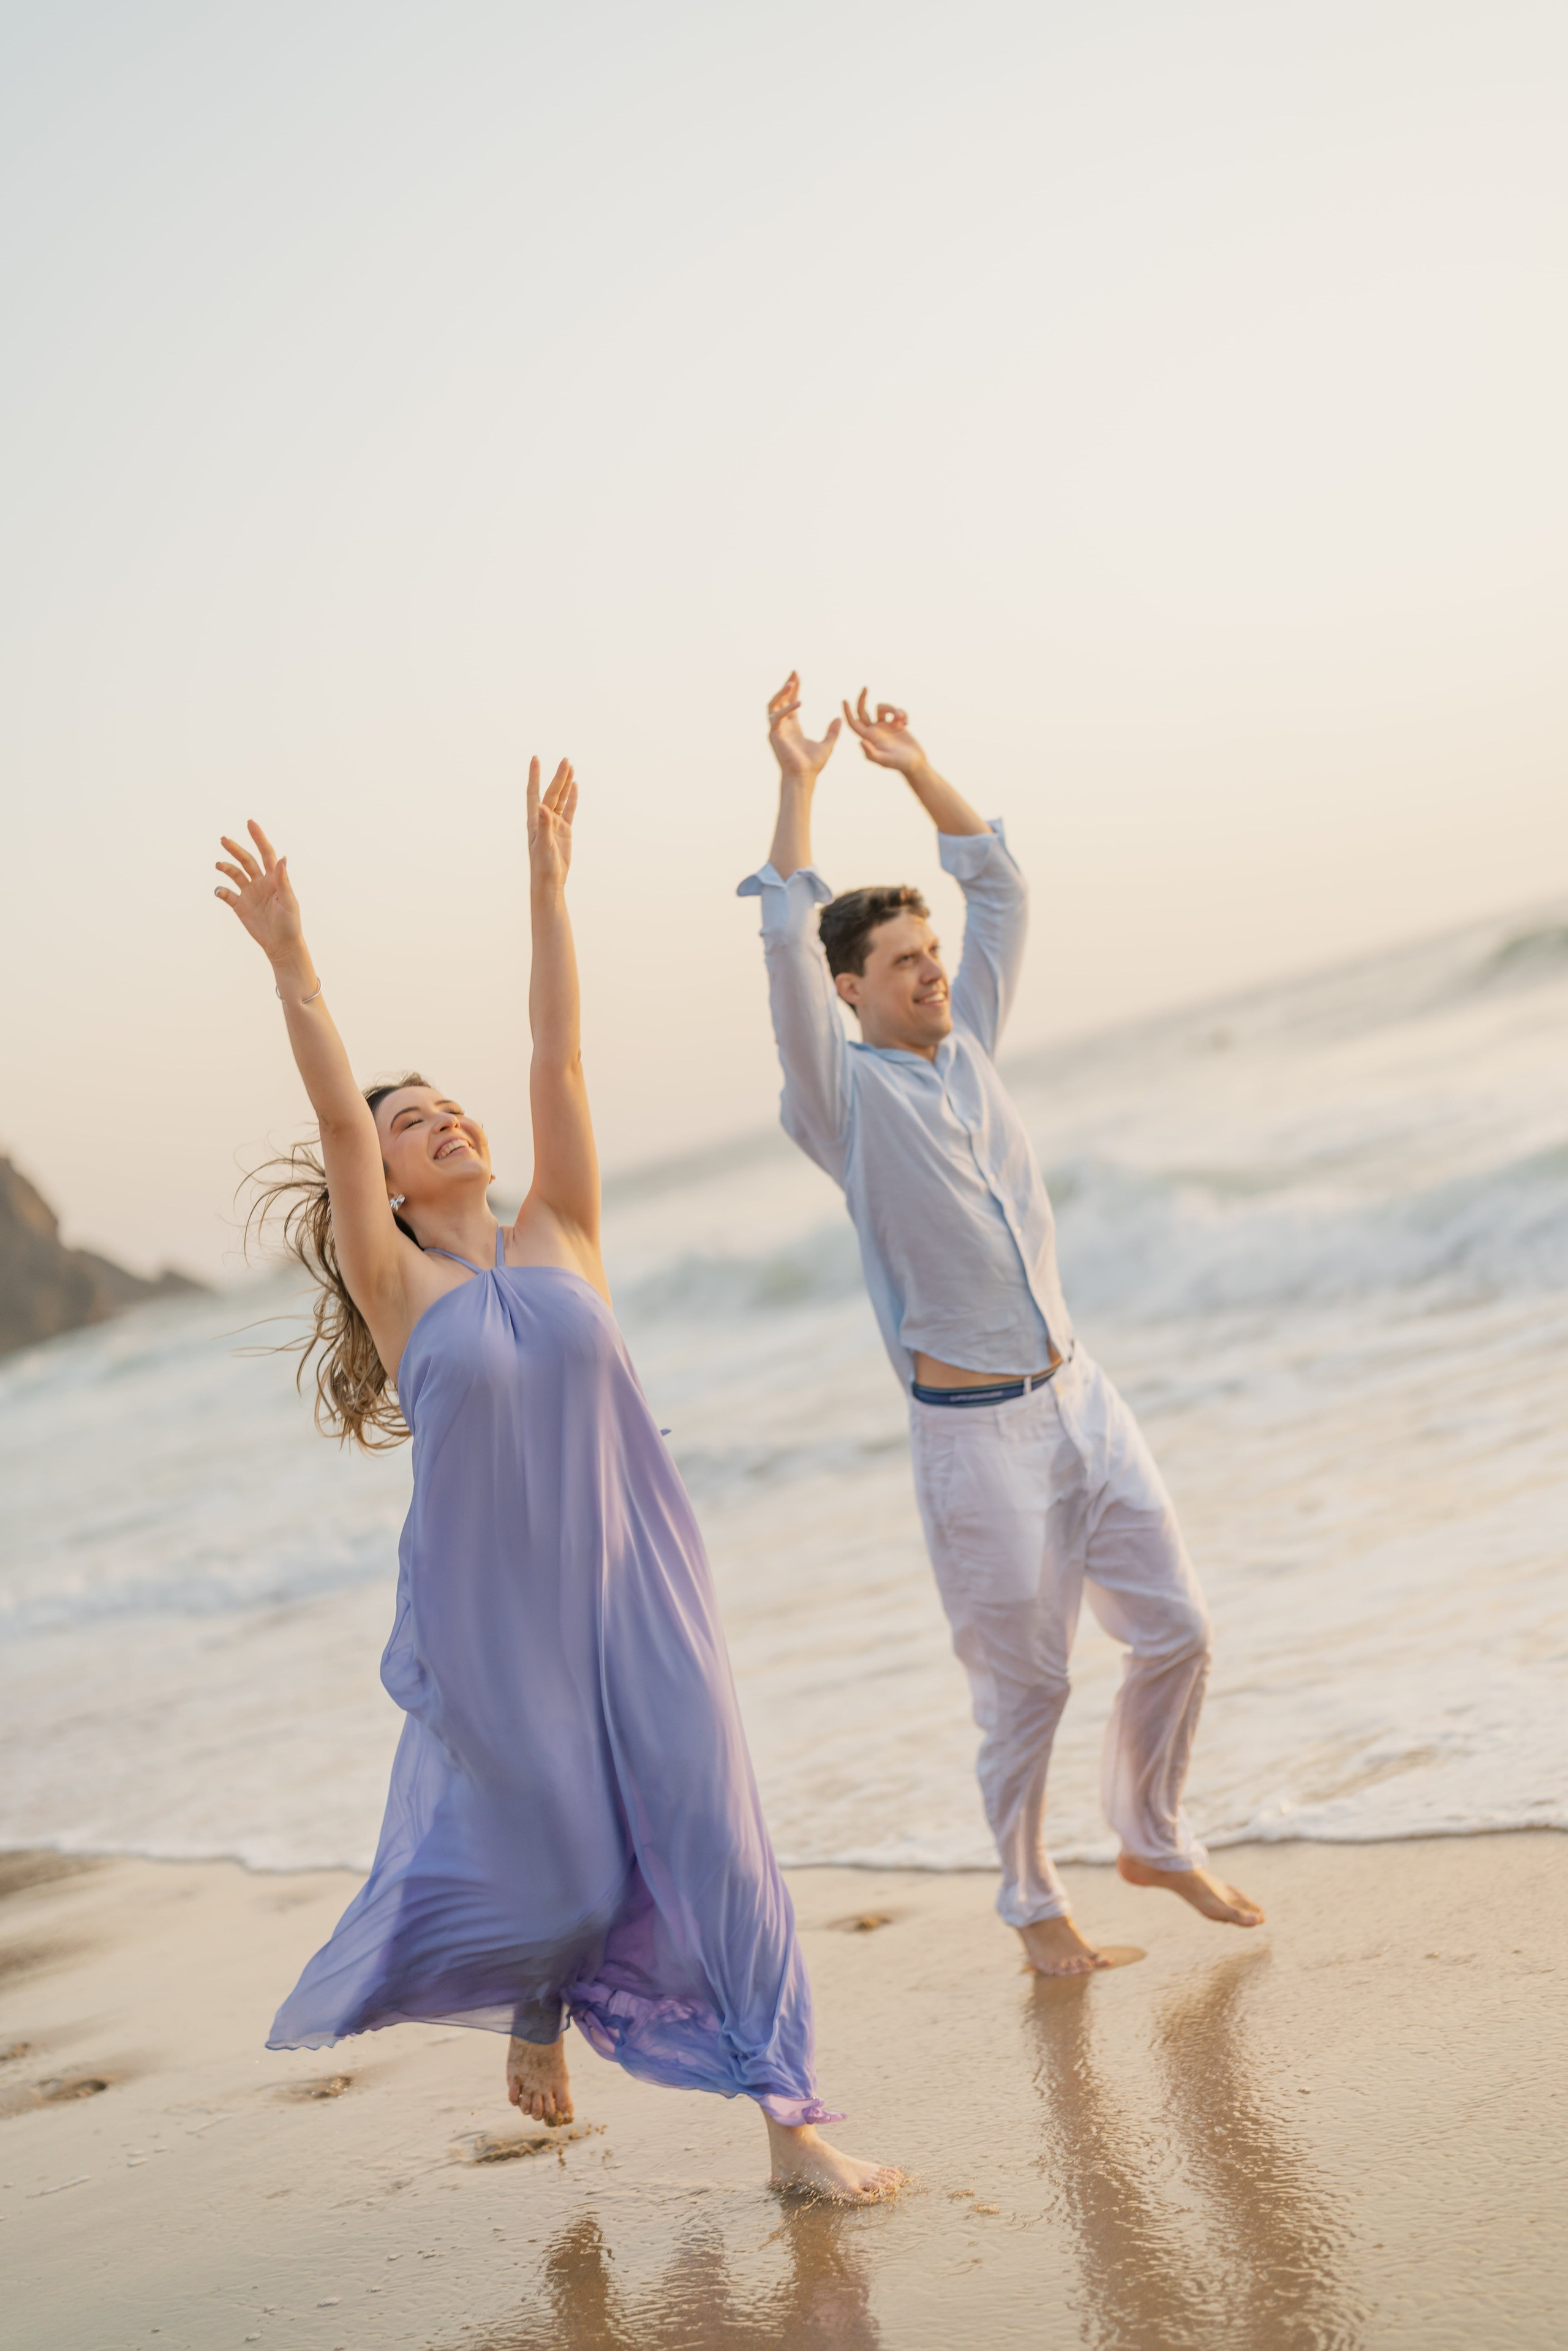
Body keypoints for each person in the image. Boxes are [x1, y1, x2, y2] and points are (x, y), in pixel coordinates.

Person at [213, 761, 900, 2200]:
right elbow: (337, 1123)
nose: (446, 1121)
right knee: (574, 1876)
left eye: (452, 1107)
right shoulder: (397, 1284)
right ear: (388, 1185)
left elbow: (558, 1055)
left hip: (641, 1584)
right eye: (416, 1123)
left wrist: (546, 886)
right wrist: (295, 965)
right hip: (502, 1624)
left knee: (718, 1840)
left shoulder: (564, 1229)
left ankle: (791, 2121)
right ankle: (538, 1997)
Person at [739, 676, 1264, 1977]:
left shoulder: (967, 1042)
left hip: (1082, 1394)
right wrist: (800, 783)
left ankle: (1147, 1829)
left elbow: (1004, 888)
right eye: (904, 963)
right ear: (851, 989)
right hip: (974, 1438)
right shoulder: (836, 1100)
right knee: (1025, 1685)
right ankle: (1032, 1904)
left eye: (932, 954)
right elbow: (779, 941)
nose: (931, 972)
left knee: (1178, 1630)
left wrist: (916, 771)